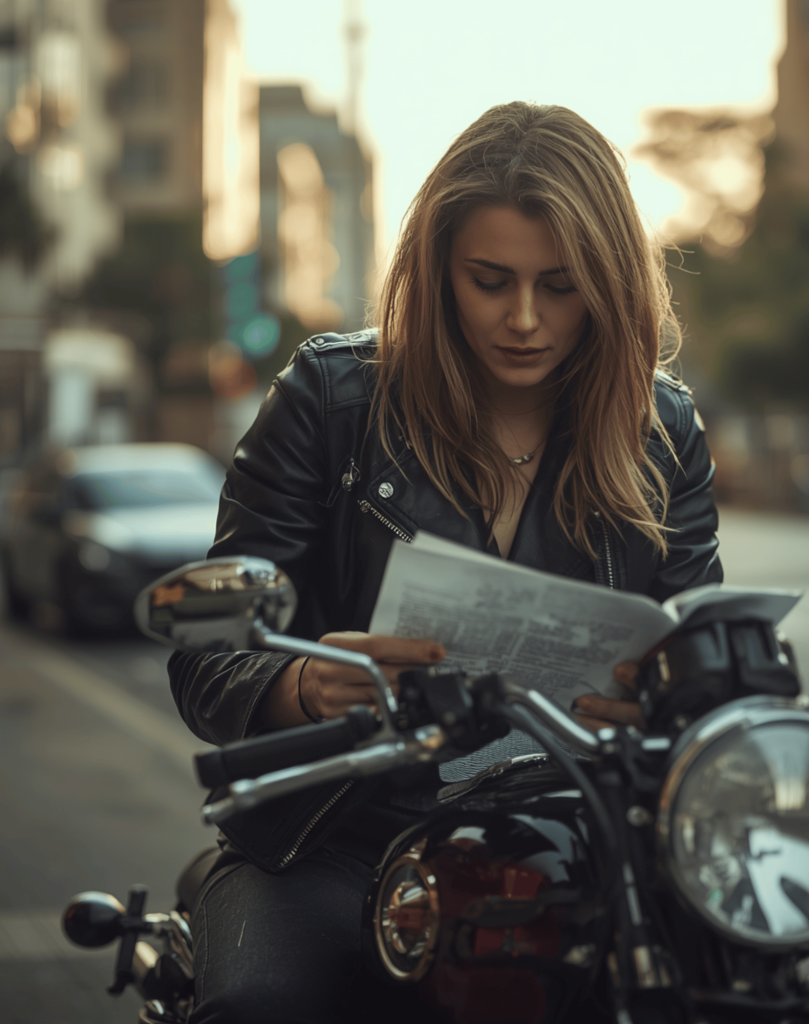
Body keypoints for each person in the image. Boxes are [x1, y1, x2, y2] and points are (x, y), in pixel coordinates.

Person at [170, 101, 722, 1024]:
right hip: (332, 839)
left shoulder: (662, 430)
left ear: (614, 283)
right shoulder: (328, 400)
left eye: (561, 285)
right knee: (262, 1007)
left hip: (575, 836)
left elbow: (707, 664)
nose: (523, 319)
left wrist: (674, 700)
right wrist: (308, 682)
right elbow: (205, 653)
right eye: (489, 279)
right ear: (436, 271)